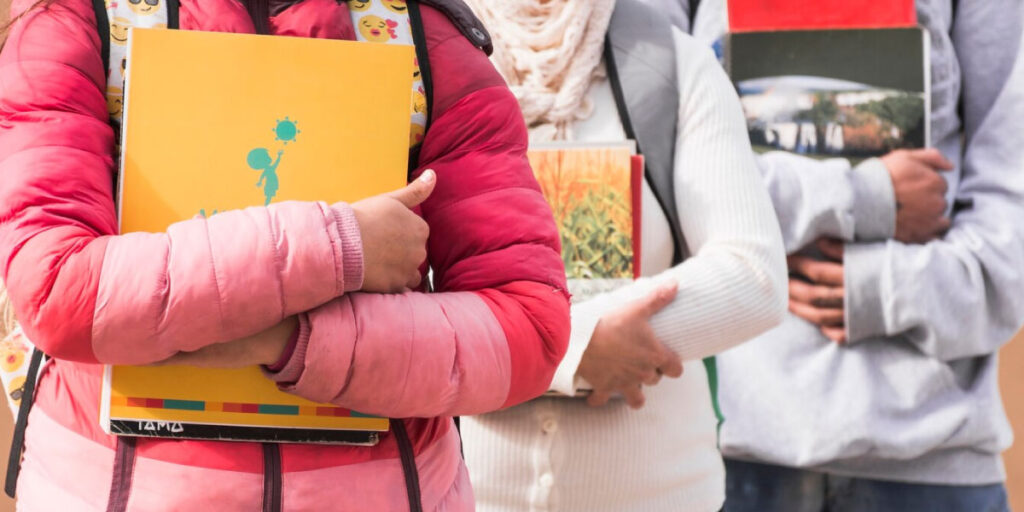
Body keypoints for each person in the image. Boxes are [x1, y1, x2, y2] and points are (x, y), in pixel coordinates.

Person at [0, 0, 571, 509]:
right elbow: (59, 291)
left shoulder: (425, 40)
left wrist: (287, 340)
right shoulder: (82, 24)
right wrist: (341, 244)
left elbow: (526, 328)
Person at [681, 0, 1024, 510]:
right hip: (721, 451)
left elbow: (1010, 203)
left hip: (930, 457)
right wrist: (869, 198)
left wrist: (887, 286)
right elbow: (666, 162)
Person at [458, 1, 788, 510]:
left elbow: (753, 278)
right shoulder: (419, 61)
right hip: (462, 494)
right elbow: (392, 275)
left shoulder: (674, 64)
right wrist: (573, 349)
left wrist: (555, 342)